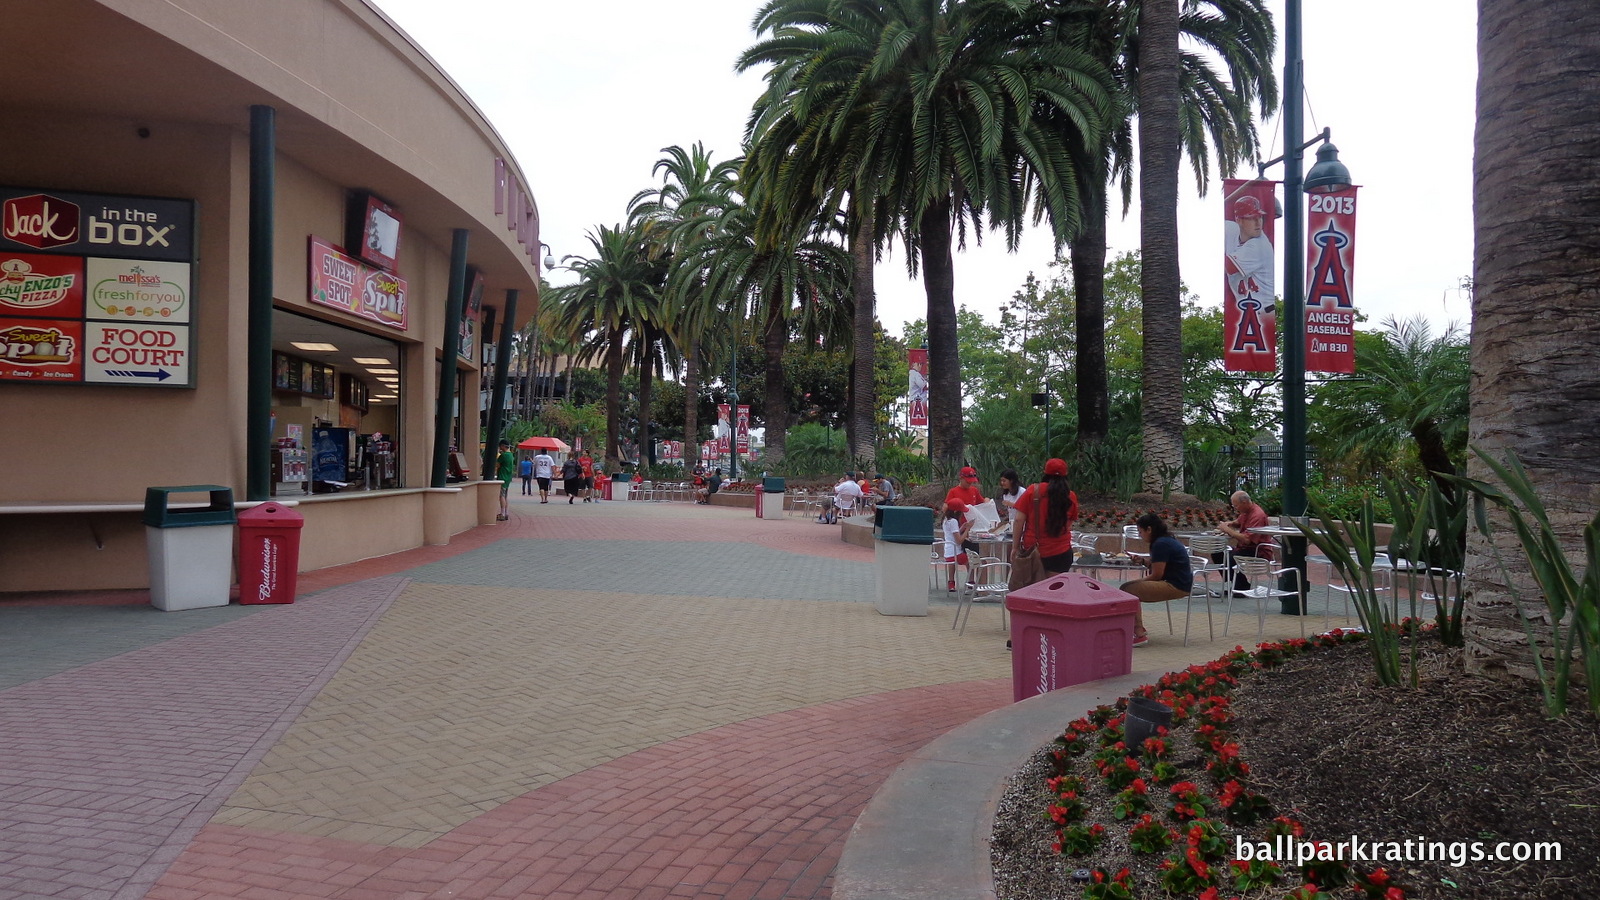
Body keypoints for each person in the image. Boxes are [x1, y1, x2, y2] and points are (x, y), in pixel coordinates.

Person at [1120, 513, 1193, 648]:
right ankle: (1136, 628)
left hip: (1175, 585)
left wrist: (1138, 583)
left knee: (1127, 590)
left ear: (1149, 529)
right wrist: (1143, 561)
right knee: (1128, 588)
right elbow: (1162, 567)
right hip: (1181, 582)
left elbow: (1157, 575)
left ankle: (1138, 632)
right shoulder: (1165, 540)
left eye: (1140, 532)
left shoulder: (1160, 544)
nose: (1140, 535)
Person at [1009, 458, 1079, 576]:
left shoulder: (1033, 491)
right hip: (1061, 552)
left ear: (1045, 472)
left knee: (1035, 592)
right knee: (1055, 592)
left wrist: (1015, 547)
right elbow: (1069, 523)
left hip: (1034, 552)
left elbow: (1018, 520)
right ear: (1065, 475)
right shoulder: (1070, 496)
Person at [1216, 489, 1273, 590]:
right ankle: (1234, 581)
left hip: (1258, 550)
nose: (1235, 509)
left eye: (1236, 506)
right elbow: (1239, 521)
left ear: (1244, 502)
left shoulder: (1257, 515)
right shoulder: (1246, 511)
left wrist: (1228, 530)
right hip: (1246, 548)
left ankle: (1240, 586)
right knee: (1217, 551)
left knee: (1231, 557)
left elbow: (1247, 540)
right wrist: (1230, 523)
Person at [941, 499, 973, 592]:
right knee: (970, 561)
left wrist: (962, 527)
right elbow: (959, 541)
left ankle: (951, 582)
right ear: (956, 511)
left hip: (948, 552)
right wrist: (967, 529)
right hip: (955, 553)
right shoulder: (954, 521)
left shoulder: (946, 519)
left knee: (954, 563)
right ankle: (971, 582)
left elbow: (952, 534)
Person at [494, 440, 515, 521]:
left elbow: (497, 465)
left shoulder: (503, 455)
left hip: (502, 477)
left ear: (503, 446)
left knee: (501, 496)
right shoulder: (510, 455)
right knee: (505, 495)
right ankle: (506, 513)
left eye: (500, 446)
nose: (500, 448)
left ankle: (502, 513)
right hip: (508, 477)